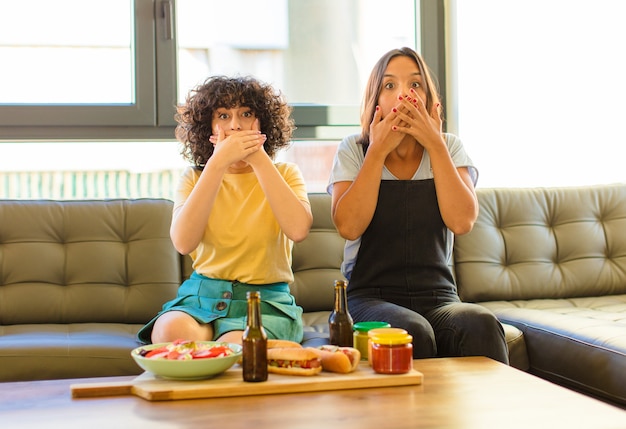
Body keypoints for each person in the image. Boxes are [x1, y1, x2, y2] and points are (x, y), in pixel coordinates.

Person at [328, 47, 509, 363]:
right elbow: (348, 225)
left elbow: (462, 221)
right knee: (412, 331)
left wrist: (435, 144)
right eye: (389, 86)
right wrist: (377, 152)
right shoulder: (354, 150)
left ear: (429, 100)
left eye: (415, 85)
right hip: (369, 297)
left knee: (481, 324)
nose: (404, 95)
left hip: (439, 296)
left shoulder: (449, 146)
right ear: (375, 101)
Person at [138, 75, 312, 346]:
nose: (235, 125)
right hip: (201, 296)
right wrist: (217, 164)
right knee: (169, 333)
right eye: (223, 115)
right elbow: (183, 243)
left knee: (237, 345)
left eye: (246, 114)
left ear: (263, 122)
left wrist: (257, 157)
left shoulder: (286, 173)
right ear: (208, 126)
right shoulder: (194, 178)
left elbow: (299, 229)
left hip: (264, 302)